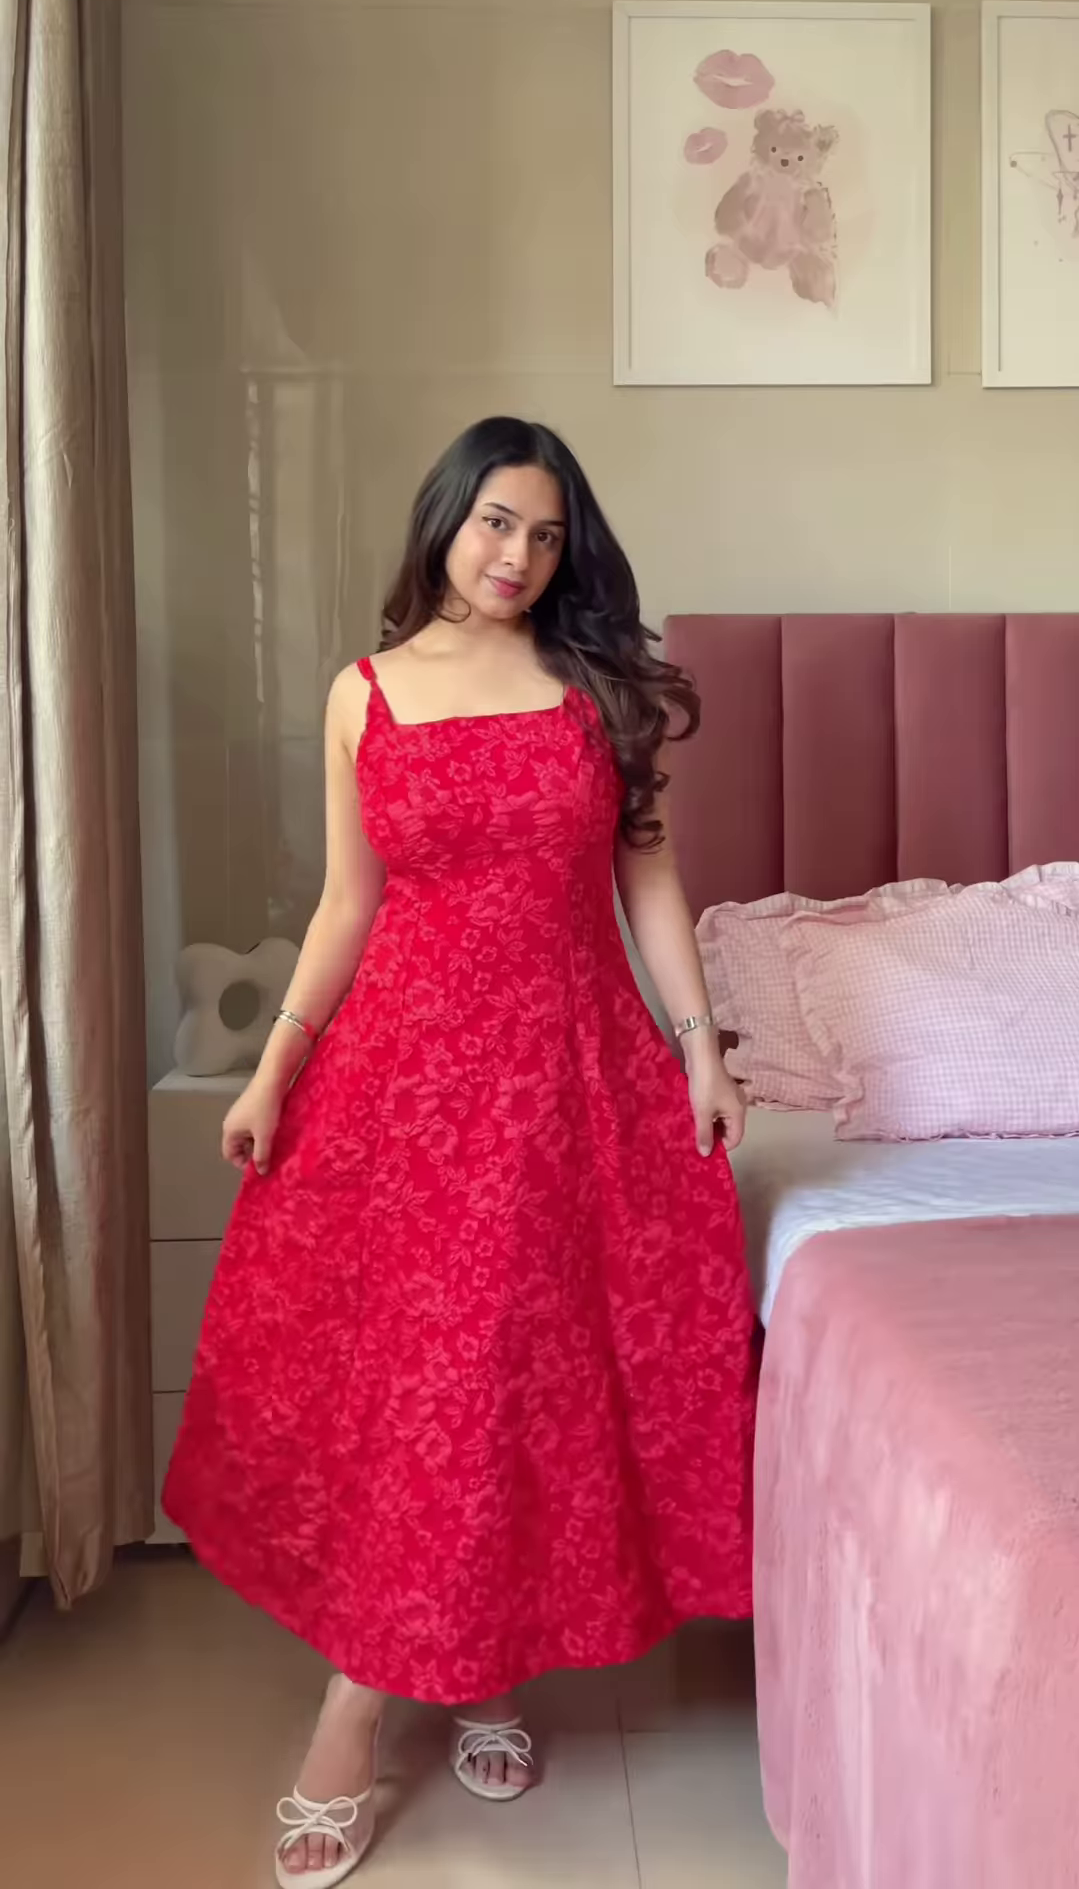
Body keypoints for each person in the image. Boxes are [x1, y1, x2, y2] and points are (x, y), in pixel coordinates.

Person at [164, 416, 759, 1888]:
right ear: (445, 517)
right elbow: (345, 904)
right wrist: (275, 1071)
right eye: (498, 522)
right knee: (423, 1386)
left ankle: (458, 1676)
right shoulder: (363, 694)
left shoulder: (593, 690)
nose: (519, 557)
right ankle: (376, 1698)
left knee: (507, 1385)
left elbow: (650, 877)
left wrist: (701, 1048)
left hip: (563, 1080)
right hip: (403, 1090)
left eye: (547, 536)